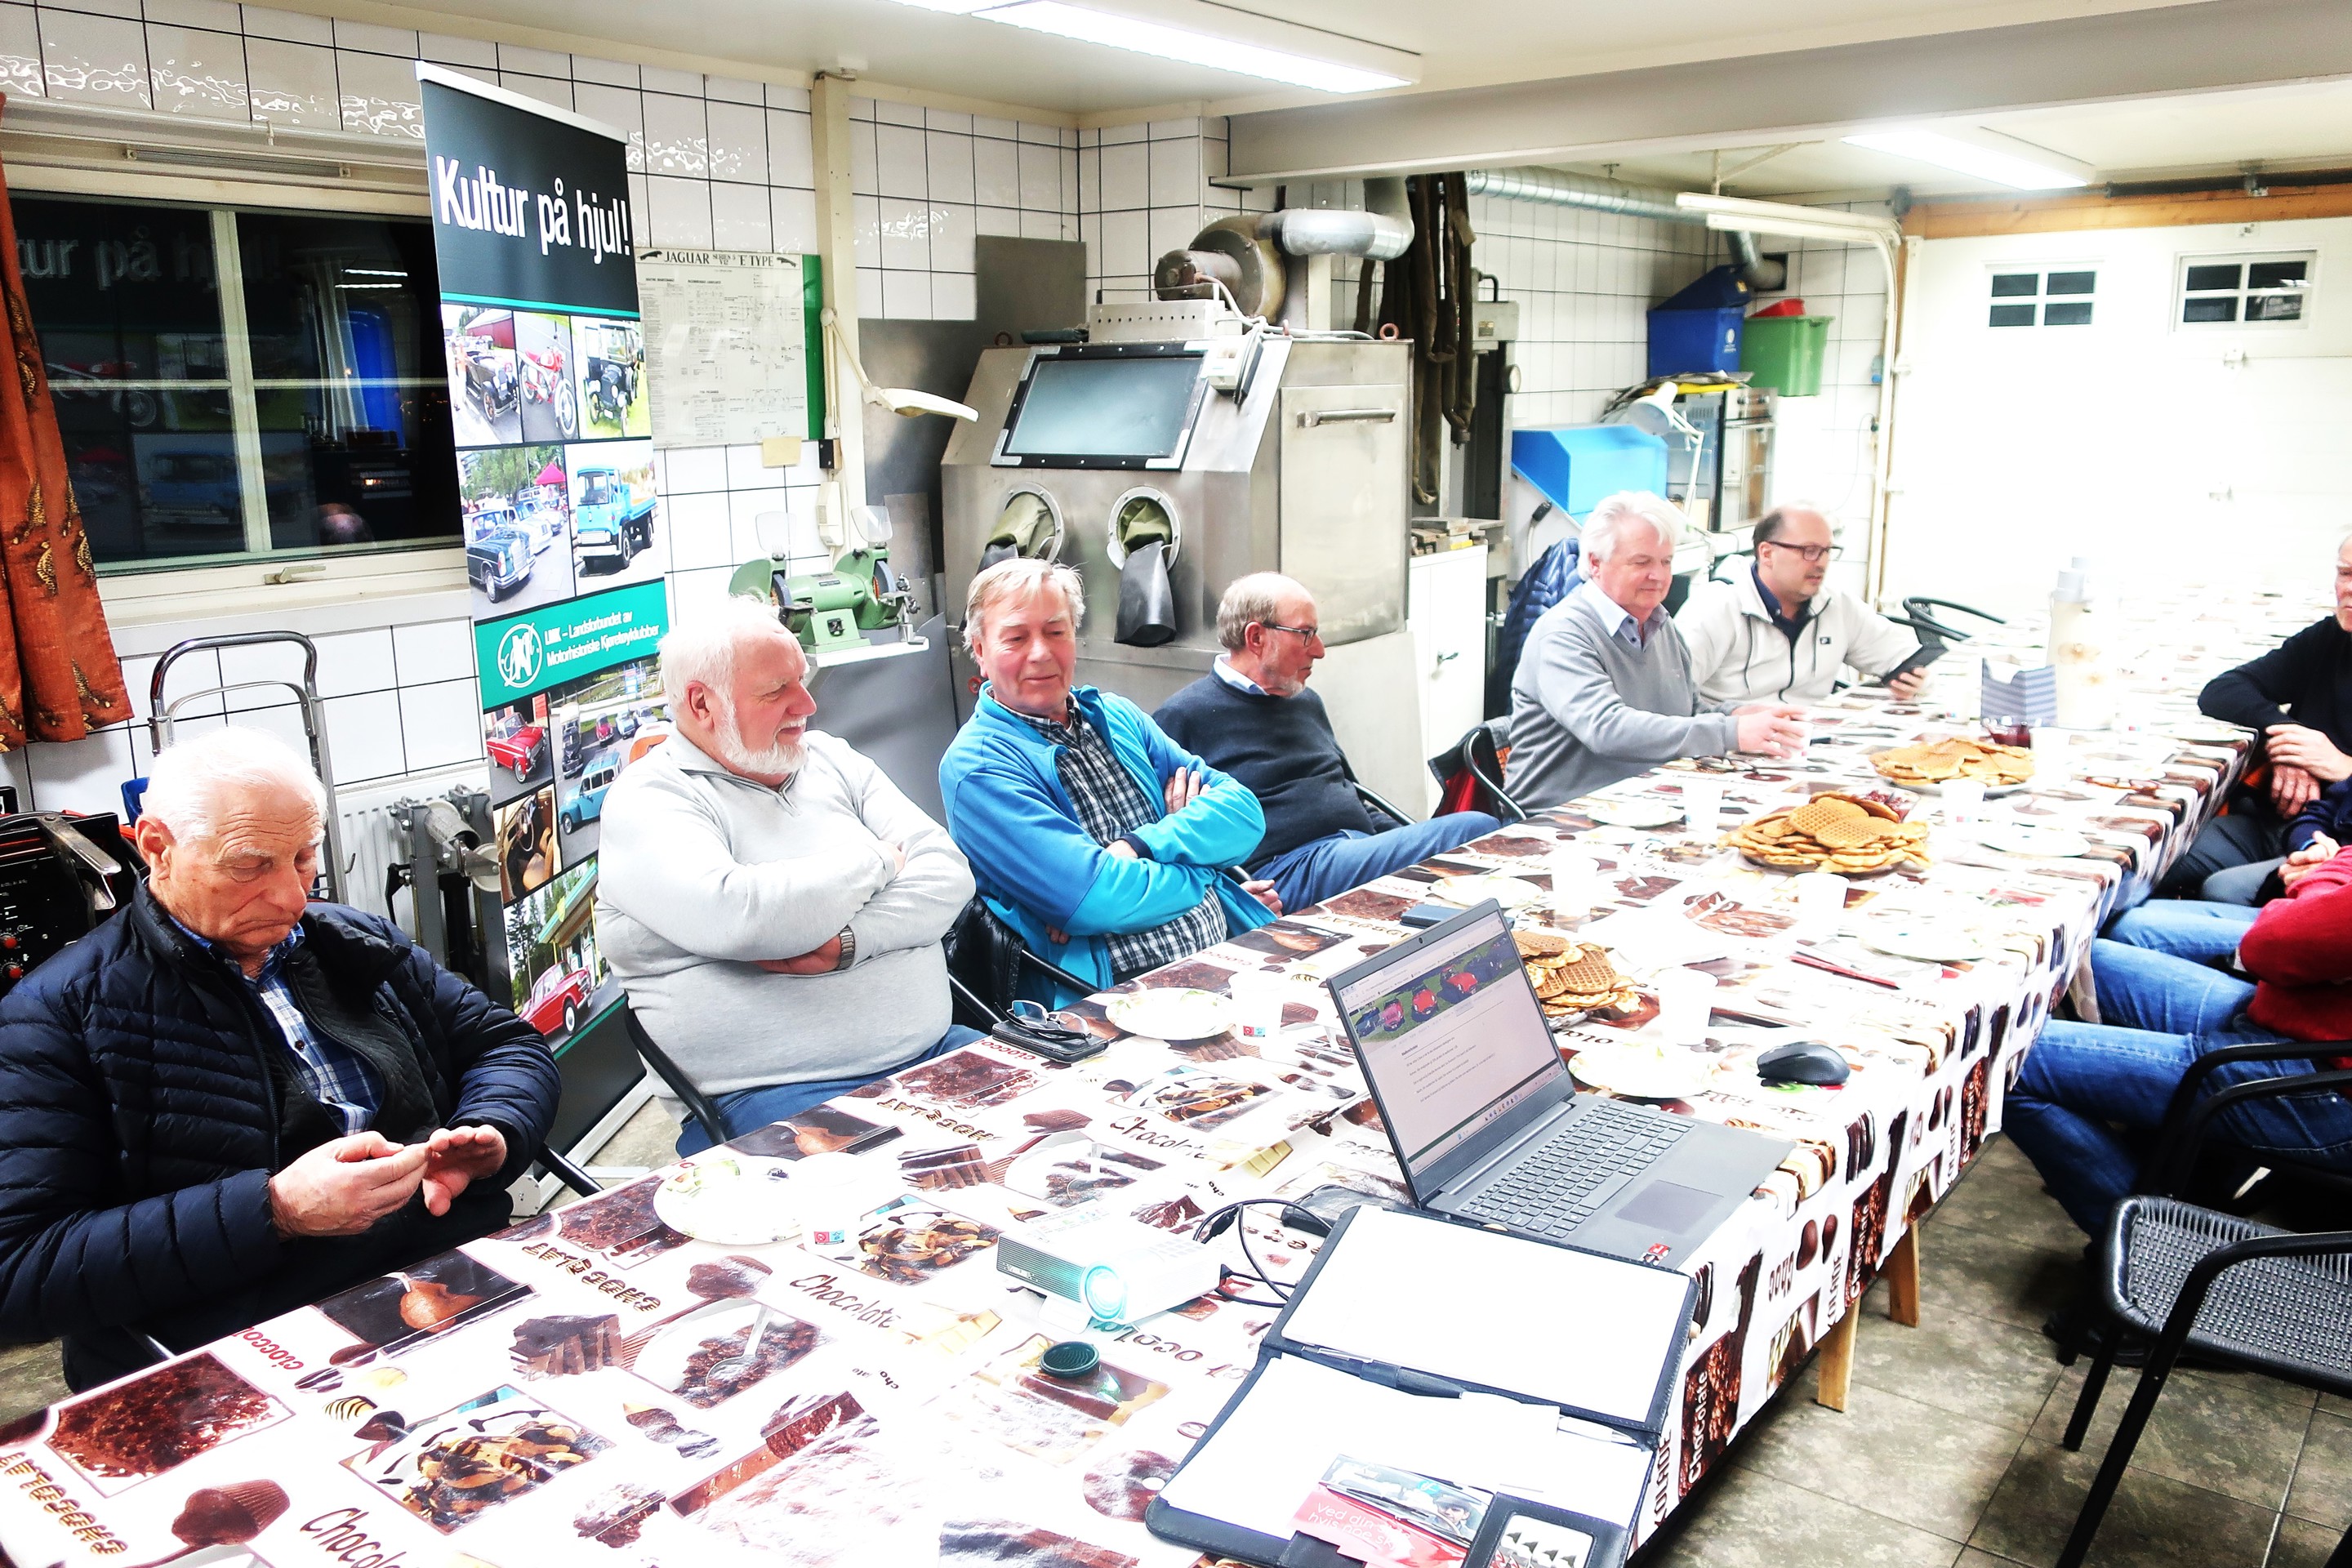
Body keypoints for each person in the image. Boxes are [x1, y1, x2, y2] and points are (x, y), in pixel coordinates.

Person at [0, 728, 559, 1390]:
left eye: (303, 857)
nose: (292, 897)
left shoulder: (352, 941)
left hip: (450, 1275)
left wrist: (494, 1130)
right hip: (253, 1348)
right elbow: (18, 1271)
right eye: (250, 866)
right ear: (157, 848)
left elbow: (506, 1044)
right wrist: (275, 1211)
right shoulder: (57, 1016)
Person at [597, 597, 980, 1156]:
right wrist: (877, 862)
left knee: (1071, 1155)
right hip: (773, 1095)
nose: (807, 704)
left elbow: (949, 874)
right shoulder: (650, 798)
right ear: (702, 703)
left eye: (801, 679)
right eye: (777, 690)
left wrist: (849, 941)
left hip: (936, 1050)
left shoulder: (830, 758)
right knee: (913, 1203)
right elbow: (743, 916)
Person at [940, 559, 1276, 1003]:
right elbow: (1094, 899)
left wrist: (1140, 846)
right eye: (1016, 638)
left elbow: (1245, 814)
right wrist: (1206, 868)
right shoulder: (978, 766)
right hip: (1117, 997)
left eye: (1056, 632)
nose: (1040, 653)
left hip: (1227, 953)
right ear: (980, 651)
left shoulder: (1117, 716)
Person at [2006, 844, 2352, 1267]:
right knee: (2080, 960)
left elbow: (2271, 945)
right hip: (2294, 1014)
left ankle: (2155, 1254)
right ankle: (2171, 1167)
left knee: (2003, 1060)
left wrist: (2318, 886)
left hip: (2318, 1079)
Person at [1154, 573, 1503, 912]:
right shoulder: (1183, 717)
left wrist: (1412, 840)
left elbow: (1349, 794)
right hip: (1283, 872)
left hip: (1352, 850)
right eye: (1306, 635)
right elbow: (1161, 840)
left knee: (1468, 850)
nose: (1319, 651)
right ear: (1256, 637)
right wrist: (1227, 896)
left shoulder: (1305, 700)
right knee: (1477, 829)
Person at [1505, 491, 1808, 809]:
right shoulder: (1564, 633)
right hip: (1560, 815)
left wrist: (1736, 715)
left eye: (1666, 562)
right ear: (1595, 563)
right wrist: (1731, 732)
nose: (1659, 576)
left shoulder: (1660, 624)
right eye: (1641, 562)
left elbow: (1686, 711)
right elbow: (1607, 729)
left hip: (1644, 801)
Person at [2170, 532, 2352, 896]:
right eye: (2345, 573)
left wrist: (2343, 767)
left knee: (2223, 889)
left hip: (2336, 852)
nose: (2349, 589)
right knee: (2154, 861)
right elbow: (2223, 691)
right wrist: (2289, 738)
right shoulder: (2332, 637)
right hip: (2284, 823)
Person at [1674, 503, 1926, 706]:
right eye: (1809, 551)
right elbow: (1670, 695)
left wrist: (1913, 679)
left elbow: (1903, 657)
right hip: (1732, 741)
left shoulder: (1837, 605)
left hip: (1811, 740)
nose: (1821, 563)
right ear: (1767, 553)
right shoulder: (1717, 605)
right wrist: (1727, 723)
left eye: (1827, 551)